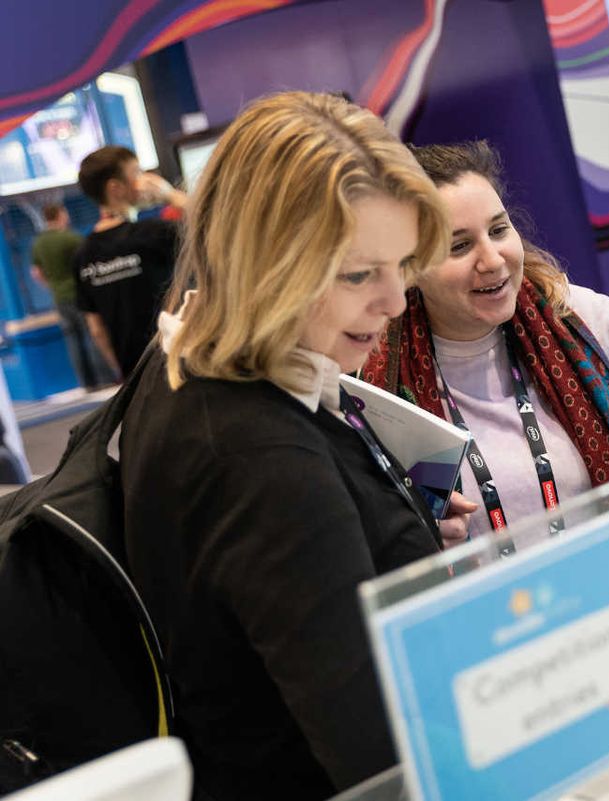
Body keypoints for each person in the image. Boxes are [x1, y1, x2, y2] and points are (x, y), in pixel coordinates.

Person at [120, 91, 451, 800]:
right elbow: (382, 756)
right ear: (266, 264)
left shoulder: (188, 364)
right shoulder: (255, 454)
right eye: (360, 273)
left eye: (402, 265)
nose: (395, 301)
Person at [360, 140, 609, 568]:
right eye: (459, 247)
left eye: (499, 230)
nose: (493, 259)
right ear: (408, 268)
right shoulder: (375, 379)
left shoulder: (584, 323)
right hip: (489, 627)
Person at [74, 145, 187, 379]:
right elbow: (217, 222)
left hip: (136, 378)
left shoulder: (82, 255)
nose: (145, 180)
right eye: (137, 173)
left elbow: (97, 330)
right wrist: (169, 195)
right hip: (178, 368)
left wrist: (125, 376)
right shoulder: (155, 234)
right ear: (115, 188)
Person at [29, 203, 115, 390]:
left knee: (73, 340)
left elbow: (36, 272)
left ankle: (87, 383)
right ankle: (104, 379)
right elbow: (88, 263)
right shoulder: (71, 238)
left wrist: (52, 285)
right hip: (79, 294)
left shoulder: (39, 243)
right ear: (61, 214)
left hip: (59, 297)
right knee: (92, 334)